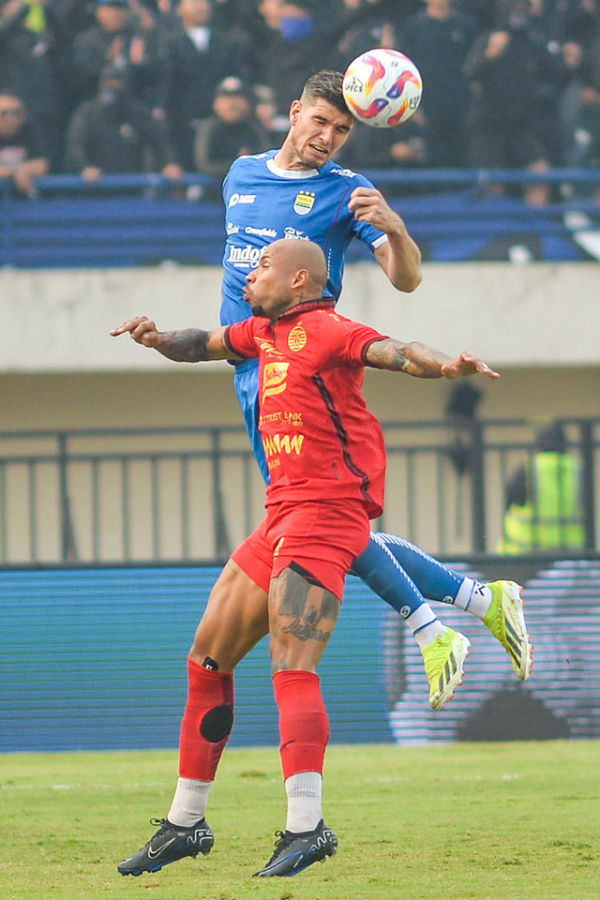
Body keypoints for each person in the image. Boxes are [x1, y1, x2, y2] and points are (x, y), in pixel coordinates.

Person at [111, 237, 501, 878]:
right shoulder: (260, 332)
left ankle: (307, 826)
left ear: (298, 279)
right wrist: (156, 339)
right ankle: (186, 822)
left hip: (326, 515)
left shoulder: (329, 329)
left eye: (261, 265)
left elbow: (396, 352)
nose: (250, 272)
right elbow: (201, 343)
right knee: (207, 660)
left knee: (292, 666)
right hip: (281, 515)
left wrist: (445, 367)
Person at [219, 67, 532, 710]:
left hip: (310, 369)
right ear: (293, 112)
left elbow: (406, 281)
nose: (328, 137)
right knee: (317, 521)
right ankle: (479, 600)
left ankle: (436, 626)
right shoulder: (240, 174)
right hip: (254, 371)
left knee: (320, 519)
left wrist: (395, 227)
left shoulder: (349, 192)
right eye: (320, 122)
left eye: (342, 129)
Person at [63, 63, 182, 183]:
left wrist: (169, 164)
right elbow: (75, 144)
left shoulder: (136, 112)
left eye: (115, 82)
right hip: (95, 188)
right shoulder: (87, 112)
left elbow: (160, 141)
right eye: (107, 82)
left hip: (131, 187)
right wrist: (84, 168)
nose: (111, 87)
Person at [499, 420, 586, 554]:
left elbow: (509, 501)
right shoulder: (577, 469)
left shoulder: (528, 469)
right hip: (570, 552)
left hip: (526, 551)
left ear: (539, 443)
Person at [193, 76, 269, 182]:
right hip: (213, 190)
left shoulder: (253, 127)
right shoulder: (210, 127)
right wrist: (238, 164)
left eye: (237, 98)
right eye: (226, 98)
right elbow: (204, 164)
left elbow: (266, 159)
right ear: (216, 104)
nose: (232, 104)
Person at [0, 89, 48, 197]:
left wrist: (24, 170)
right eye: (4, 113)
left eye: (16, 113)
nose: (10, 119)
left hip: (25, 200)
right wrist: (15, 171)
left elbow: (42, 165)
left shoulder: (29, 129)